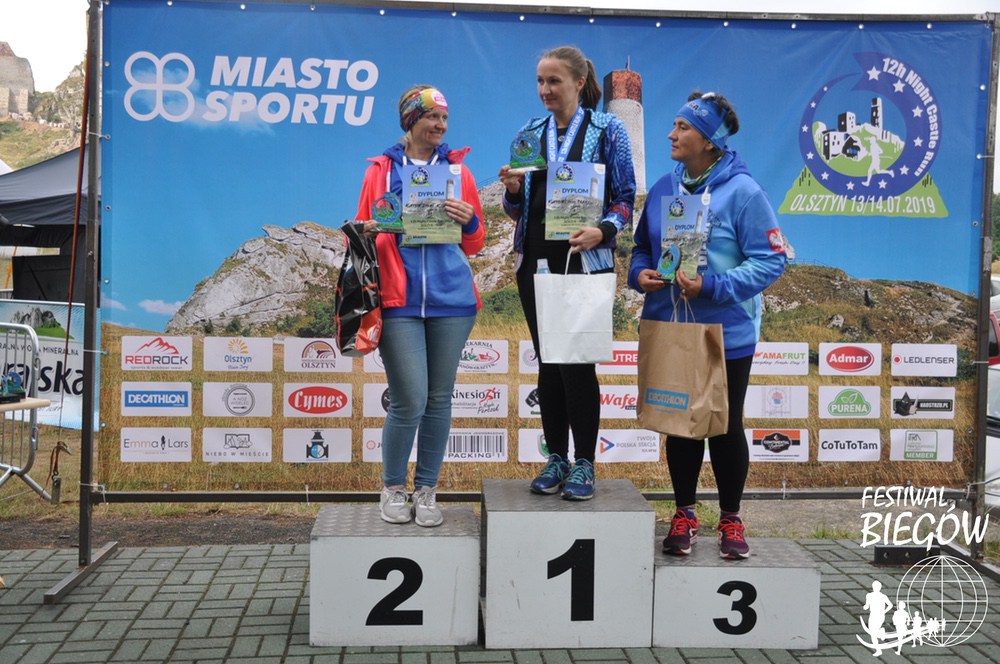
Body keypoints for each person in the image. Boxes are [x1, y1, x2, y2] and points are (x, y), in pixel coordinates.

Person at [628, 91, 786, 557]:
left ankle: (731, 519)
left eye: (683, 127)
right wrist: (640, 275)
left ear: (710, 141)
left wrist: (712, 286)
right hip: (671, 325)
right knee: (680, 425)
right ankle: (684, 513)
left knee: (724, 425)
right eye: (674, 125)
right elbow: (641, 248)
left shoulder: (744, 192)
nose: (670, 134)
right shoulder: (664, 187)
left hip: (725, 331)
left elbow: (771, 260)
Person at [498, 45, 635, 501]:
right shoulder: (529, 133)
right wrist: (512, 190)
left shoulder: (608, 129)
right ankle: (556, 457)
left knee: (576, 364)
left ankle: (585, 463)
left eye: (554, 81)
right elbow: (517, 209)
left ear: (578, 82)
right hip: (535, 261)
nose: (545, 89)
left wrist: (603, 230)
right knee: (549, 363)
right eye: (540, 81)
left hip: (583, 261)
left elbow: (625, 198)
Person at [355, 85, 485, 526]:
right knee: (409, 398)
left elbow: (476, 242)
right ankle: (393, 487)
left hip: (453, 301)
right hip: (398, 299)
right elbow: (360, 233)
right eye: (432, 117)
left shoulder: (459, 172)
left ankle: (427, 490)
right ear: (411, 120)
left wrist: (470, 221)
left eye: (445, 119)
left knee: (439, 399)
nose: (441, 125)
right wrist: (369, 229)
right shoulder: (379, 171)